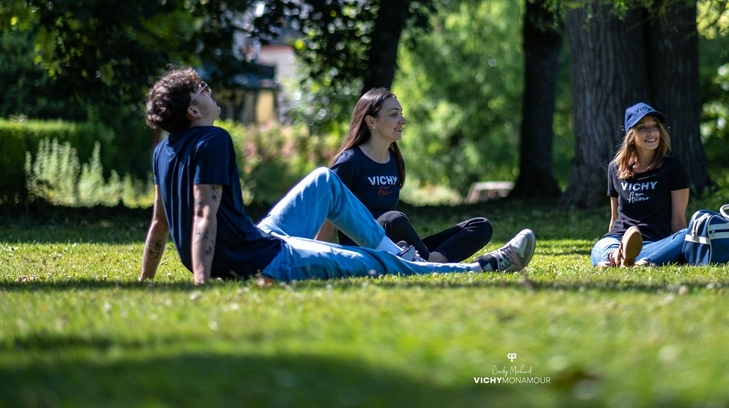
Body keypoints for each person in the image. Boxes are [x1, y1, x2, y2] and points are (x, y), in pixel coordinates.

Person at [138, 68, 535, 285]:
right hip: (259, 259)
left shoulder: (163, 151)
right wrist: (203, 284)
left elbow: (159, 225)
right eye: (202, 89)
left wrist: (145, 280)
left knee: (323, 181)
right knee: (376, 264)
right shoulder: (213, 139)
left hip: (258, 240)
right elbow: (204, 216)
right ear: (193, 110)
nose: (210, 92)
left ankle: (395, 252)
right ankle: (485, 268)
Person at [316, 88, 493, 264]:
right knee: (393, 219)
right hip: (363, 251)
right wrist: (315, 258)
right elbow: (330, 217)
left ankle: (428, 260)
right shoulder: (348, 163)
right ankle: (429, 261)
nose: (402, 120)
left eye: (401, 114)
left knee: (480, 226)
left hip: (395, 247)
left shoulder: (394, 161)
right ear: (371, 121)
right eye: (394, 115)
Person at [591, 102, 690, 268]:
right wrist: (614, 244)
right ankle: (620, 256)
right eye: (643, 128)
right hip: (616, 239)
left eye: (655, 126)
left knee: (687, 235)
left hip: (653, 242)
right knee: (600, 247)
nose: (651, 133)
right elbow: (614, 218)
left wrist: (681, 245)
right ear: (631, 135)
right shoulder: (615, 168)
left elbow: (678, 220)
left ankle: (620, 260)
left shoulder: (673, 168)